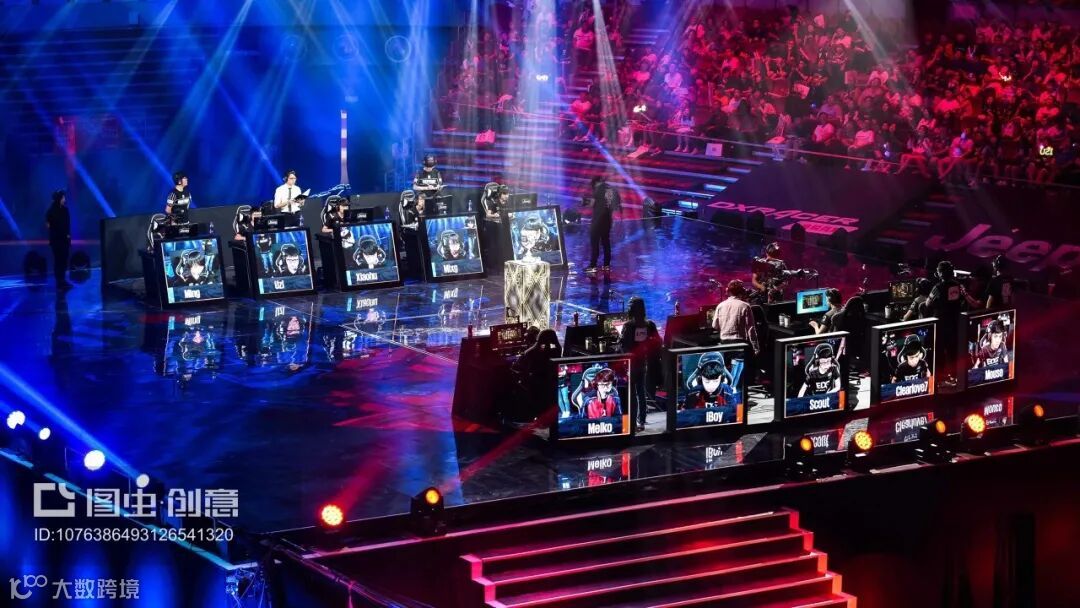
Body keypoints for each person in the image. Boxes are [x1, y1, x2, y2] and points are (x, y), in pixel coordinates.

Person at [618, 296, 661, 432]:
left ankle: (631, 423)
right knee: (641, 392)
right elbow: (658, 341)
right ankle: (641, 420)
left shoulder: (628, 326)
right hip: (643, 362)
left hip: (631, 364)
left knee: (631, 394)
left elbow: (623, 345)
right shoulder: (649, 325)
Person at [925, 260, 966, 383]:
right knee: (953, 350)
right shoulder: (959, 285)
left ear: (940, 273)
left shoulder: (937, 287)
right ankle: (954, 376)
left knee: (939, 351)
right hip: (955, 322)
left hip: (941, 324)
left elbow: (927, 303)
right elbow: (963, 300)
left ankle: (940, 378)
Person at [511, 329, 562, 422]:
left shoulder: (530, 353)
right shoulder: (557, 350)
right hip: (551, 385)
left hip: (535, 386)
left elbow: (516, 367)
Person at [712, 280, 760, 354]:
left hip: (724, 343)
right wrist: (755, 347)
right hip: (740, 343)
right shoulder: (745, 306)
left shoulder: (720, 306)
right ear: (742, 292)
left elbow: (714, 325)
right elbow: (751, 329)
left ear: (728, 291)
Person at [584, 175, 619, 273]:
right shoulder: (612, 189)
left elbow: (592, 204)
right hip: (608, 220)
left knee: (594, 243)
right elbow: (615, 207)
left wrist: (585, 202)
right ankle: (606, 265)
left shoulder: (598, 189)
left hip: (598, 220)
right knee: (606, 242)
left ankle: (593, 266)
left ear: (596, 182)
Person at [45, 189, 71, 288]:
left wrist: (68, 236)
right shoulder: (50, 211)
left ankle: (62, 281)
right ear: (58, 198)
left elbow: (67, 225)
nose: (64, 199)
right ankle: (59, 282)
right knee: (58, 261)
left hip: (65, 240)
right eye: (63, 197)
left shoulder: (65, 210)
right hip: (56, 240)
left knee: (64, 260)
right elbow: (48, 225)